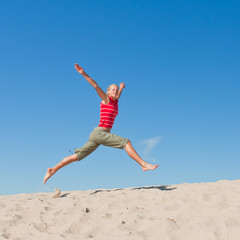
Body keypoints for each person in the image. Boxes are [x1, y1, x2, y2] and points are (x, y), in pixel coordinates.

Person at [43, 64, 158, 184]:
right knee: (126, 142)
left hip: (97, 135)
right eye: (113, 89)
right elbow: (95, 85)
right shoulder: (106, 99)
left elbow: (118, 96)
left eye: (116, 90)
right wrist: (83, 73)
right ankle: (143, 164)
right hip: (100, 133)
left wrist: (121, 88)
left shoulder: (115, 101)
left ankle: (53, 169)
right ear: (108, 91)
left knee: (77, 156)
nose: (115, 91)